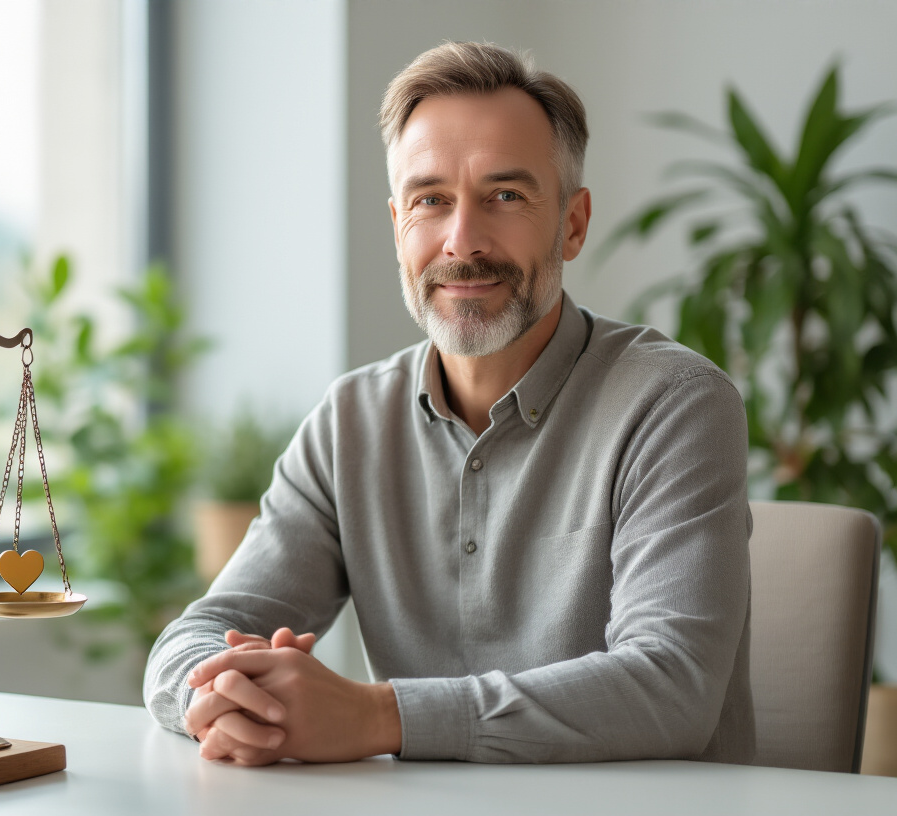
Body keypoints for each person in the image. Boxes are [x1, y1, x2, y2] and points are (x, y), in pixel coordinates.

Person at [143, 41, 754, 767]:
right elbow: (197, 635)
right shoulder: (349, 424)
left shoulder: (675, 404)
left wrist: (379, 715)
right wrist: (216, 698)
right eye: (431, 200)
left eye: (505, 196)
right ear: (398, 223)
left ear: (572, 223)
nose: (462, 241)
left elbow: (671, 688)